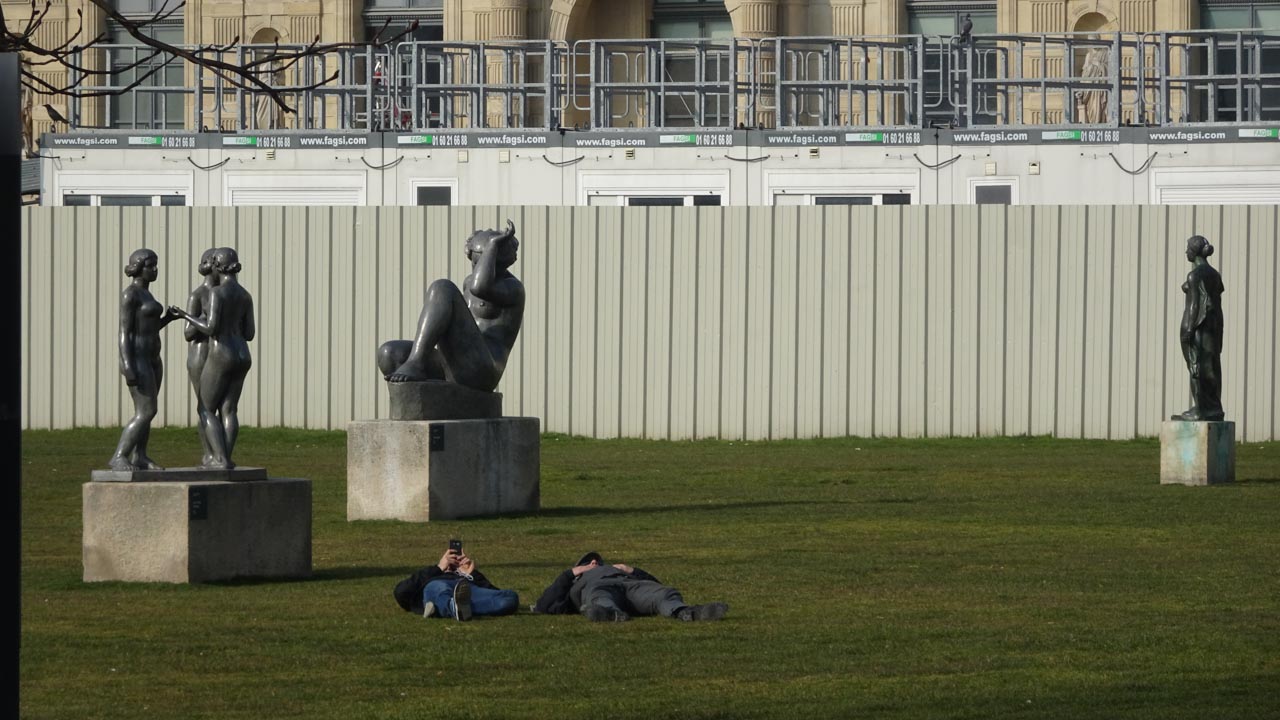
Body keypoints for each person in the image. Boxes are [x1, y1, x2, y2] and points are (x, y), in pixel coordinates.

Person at [377, 220, 524, 391]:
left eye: (482, 261)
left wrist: (492, 245)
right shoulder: (469, 282)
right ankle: (424, 385)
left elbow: (480, 287)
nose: (476, 267)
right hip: (456, 362)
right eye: (474, 262)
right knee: (389, 354)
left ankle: (416, 362)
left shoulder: (513, 288)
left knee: (442, 288)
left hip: (483, 368)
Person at [169, 247, 255, 468]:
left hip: (222, 354)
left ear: (217, 266)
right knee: (229, 409)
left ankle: (220, 459)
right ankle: (225, 457)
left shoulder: (217, 293)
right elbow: (249, 333)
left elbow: (210, 328)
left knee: (205, 408)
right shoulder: (246, 295)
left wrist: (185, 315)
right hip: (243, 353)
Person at [109, 249, 181, 470]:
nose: (155, 270)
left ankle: (140, 455)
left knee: (148, 411)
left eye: (156, 265)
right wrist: (127, 364)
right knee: (146, 410)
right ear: (139, 267)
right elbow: (124, 332)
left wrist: (168, 318)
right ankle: (119, 456)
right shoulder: (130, 294)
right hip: (137, 358)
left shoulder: (147, 295)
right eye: (151, 266)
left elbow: (150, 327)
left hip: (153, 359)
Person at [533, 552, 729, 623]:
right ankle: (610, 614)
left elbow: (656, 584)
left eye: (597, 561)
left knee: (663, 593)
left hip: (631, 585)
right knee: (600, 598)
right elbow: (544, 605)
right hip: (599, 588)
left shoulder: (621, 570)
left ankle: (685, 612)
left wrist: (632, 570)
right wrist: (570, 573)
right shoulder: (575, 582)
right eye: (588, 562)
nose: (594, 562)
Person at [394, 544, 519, 622]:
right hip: (437, 585)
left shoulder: (468, 576)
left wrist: (471, 573)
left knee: (510, 598)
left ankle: (455, 608)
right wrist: (439, 567)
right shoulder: (434, 575)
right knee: (441, 590)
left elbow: (492, 591)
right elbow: (401, 592)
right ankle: (454, 607)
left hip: (465, 586)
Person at [1173, 234, 1225, 421]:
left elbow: (1195, 305)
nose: (1186, 251)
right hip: (1213, 327)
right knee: (1211, 367)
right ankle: (1213, 408)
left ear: (1194, 251)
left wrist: (1189, 330)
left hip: (1196, 326)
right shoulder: (1215, 275)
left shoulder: (1194, 276)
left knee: (1196, 368)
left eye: (1188, 248)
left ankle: (1200, 409)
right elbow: (1216, 303)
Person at [184, 247, 218, 466]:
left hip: (217, 355)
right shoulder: (197, 295)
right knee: (205, 407)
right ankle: (208, 454)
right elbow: (188, 333)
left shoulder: (221, 294)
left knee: (219, 407)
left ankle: (219, 454)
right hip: (200, 355)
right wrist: (206, 319)